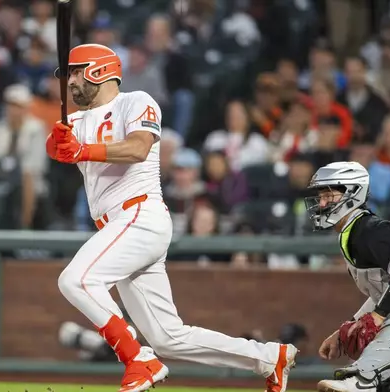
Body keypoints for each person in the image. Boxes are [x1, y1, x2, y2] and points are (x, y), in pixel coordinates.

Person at [47, 43, 297, 392]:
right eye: (68, 73)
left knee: (75, 280)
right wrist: (56, 143)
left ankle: (138, 358)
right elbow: (58, 145)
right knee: (168, 337)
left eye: (75, 71)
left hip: (140, 215)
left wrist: (81, 150)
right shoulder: (74, 119)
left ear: (98, 70)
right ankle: (269, 358)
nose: (69, 80)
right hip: (118, 228)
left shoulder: (136, 101)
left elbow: (137, 148)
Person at [302, 161, 390, 392]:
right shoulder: (354, 231)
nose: (322, 202)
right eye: (321, 195)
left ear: (353, 193)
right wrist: (351, 325)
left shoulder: (368, 228)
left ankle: (361, 380)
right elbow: (387, 289)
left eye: (329, 195)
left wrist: (378, 316)